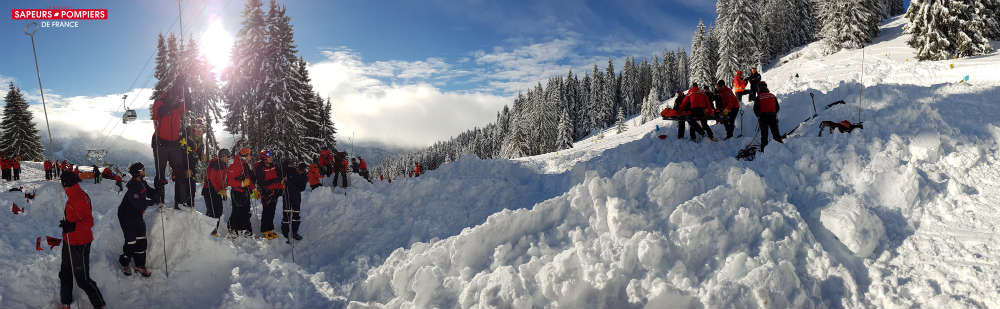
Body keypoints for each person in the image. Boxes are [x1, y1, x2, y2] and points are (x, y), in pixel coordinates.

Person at [58, 172, 107, 309]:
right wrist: (68, 224)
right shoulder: (72, 195)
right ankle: (66, 302)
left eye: (62, 183)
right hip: (69, 240)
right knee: (65, 272)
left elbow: (89, 222)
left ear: (66, 183)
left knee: (82, 280)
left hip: (80, 243)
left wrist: (72, 226)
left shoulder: (78, 197)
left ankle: (99, 305)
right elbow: (76, 218)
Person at [117, 162, 157, 277]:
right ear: (138, 173)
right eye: (143, 169)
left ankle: (140, 265)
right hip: (126, 216)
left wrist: (158, 190)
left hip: (137, 215)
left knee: (141, 240)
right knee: (131, 242)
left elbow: (149, 191)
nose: (145, 171)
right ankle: (125, 263)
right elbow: (139, 203)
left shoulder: (142, 182)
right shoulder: (133, 186)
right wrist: (152, 202)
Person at [151, 91, 190, 207]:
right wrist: (173, 104)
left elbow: (188, 104)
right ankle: (159, 201)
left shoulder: (177, 105)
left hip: (174, 144)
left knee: (180, 172)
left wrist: (186, 90)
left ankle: (180, 201)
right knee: (160, 173)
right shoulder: (159, 103)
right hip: (160, 143)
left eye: (176, 97)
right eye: (173, 97)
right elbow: (159, 113)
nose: (175, 99)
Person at [254, 150, 284, 240]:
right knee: (267, 211)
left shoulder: (273, 166)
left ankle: (270, 229)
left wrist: (280, 184)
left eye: (271, 156)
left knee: (272, 211)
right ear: (264, 158)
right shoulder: (260, 168)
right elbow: (263, 183)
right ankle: (265, 230)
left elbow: (278, 177)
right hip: (266, 194)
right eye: (269, 157)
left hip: (274, 192)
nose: (271, 158)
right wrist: (276, 182)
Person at [227, 148, 255, 237]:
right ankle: (232, 229)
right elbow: (229, 181)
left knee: (246, 211)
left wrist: (253, 189)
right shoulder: (235, 165)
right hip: (237, 192)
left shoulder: (245, 165)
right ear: (245, 156)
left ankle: (245, 229)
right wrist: (241, 183)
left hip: (245, 192)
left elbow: (248, 179)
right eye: (249, 155)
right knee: (237, 211)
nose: (250, 157)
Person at [203, 149, 230, 236]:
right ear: (222, 156)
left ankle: (210, 231)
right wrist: (219, 190)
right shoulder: (216, 164)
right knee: (213, 211)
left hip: (216, 191)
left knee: (218, 211)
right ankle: (211, 232)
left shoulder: (224, 165)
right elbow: (211, 178)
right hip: (209, 190)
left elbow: (222, 180)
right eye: (227, 156)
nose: (228, 158)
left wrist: (223, 190)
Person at [753, 81, 783, 152]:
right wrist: (773, 113)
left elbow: (755, 109)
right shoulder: (772, 95)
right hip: (772, 117)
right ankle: (781, 149)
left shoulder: (759, 97)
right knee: (776, 134)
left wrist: (759, 116)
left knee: (764, 135)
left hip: (763, 118)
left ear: (759, 88)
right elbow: (777, 108)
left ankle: (764, 150)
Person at [281, 161, 307, 240]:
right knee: (286, 213)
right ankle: (285, 233)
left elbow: (302, 188)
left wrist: (290, 183)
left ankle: (295, 232)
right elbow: (283, 168)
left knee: (296, 215)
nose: (300, 171)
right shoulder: (291, 170)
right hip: (287, 195)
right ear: (297, 167)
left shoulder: (304, 176)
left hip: (296, 197)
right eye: (299, 169)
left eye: (302, 170)